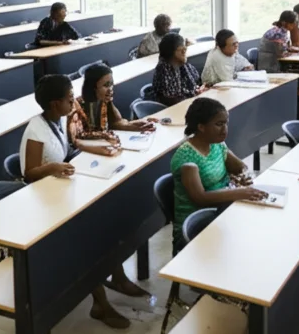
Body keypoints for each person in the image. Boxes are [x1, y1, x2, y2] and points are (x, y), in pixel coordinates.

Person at [20, 74, 144, 329]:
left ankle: (117, 275)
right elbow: (29, 173)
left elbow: (71, 146)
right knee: (86, 237)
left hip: (60, 191)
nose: (72, 104)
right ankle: (100, 303)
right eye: (68, 100)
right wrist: (52, 166)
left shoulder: (57, 120)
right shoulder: (36, 128)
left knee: (105, 219)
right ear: (55, 103)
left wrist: (96, 149)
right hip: (41, 204)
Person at [170, 97, 266, 252]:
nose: (225, 129)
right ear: (201, 127)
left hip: (221, 211)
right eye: (219, 124)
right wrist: (239, 192)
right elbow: (200, 198)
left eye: (226, 123)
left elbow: (241, 167)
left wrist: (243, 176)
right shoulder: (187, 157)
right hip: (197, 223)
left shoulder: (218, 145)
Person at [69, 63, 159, 138]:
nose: (110, 89)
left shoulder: (104, 100)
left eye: (111, 84)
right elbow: (80, 137)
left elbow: (116, 123)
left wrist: (137, 125)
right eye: (106, 85)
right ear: (93, 88)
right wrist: (108, 135)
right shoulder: (77, 107)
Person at [257, 11, 299, 98]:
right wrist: (297, 53)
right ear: (284, 23)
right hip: (271, 66)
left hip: (275, 62)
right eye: (293, 23)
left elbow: (284, 47)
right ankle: (297, 97)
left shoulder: (281, 31)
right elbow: (281, 54)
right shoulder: (277, 33)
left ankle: (297, 96)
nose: (294, 26)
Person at [153, 33, 207, 106]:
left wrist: (198, 90)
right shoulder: (164, 69)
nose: (184, 52)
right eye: (181, 50)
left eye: (185, 49)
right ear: (170, 52)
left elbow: (195, 83)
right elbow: (172, 100)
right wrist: (194, 96)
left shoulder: (181, 64)